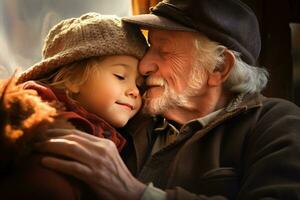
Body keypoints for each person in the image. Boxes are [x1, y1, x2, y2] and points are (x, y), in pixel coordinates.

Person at [33, 0, 300, 200]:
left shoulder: (276, 123)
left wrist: (135, 193)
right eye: (150, 49)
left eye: (164, 51)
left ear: (219, 68)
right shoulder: (128, 113)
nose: (145, 64)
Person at [0, 12, 147, 199]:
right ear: (73, 79)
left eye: (140, 84)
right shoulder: (38, 121)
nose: (134, 91)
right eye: (120, 76)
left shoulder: (117, 133)